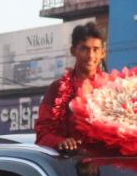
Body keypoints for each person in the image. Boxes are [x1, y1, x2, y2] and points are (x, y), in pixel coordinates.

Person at [35, 22, 106, 152]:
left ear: (103, 53)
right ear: (73, 51)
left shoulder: (113, 88)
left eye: (95, 49)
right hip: (69, 162)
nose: (90, 56)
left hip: (106, 162)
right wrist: (59, 142)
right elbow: (42, 134)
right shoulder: (56, 89)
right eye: (84, 49)